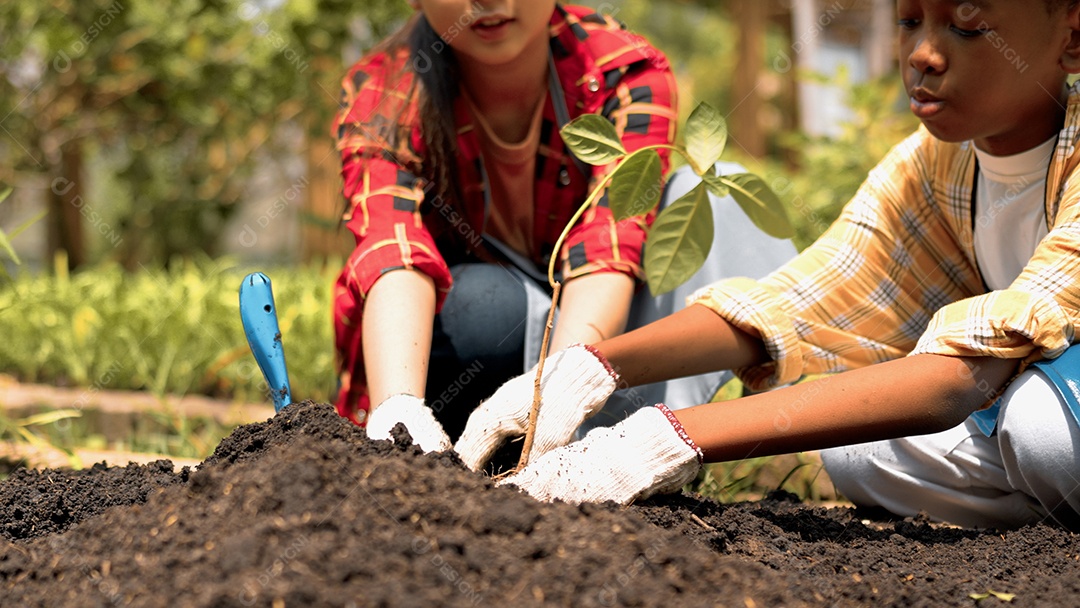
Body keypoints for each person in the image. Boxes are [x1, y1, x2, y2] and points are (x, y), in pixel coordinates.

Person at [457, 0, 1080, 531]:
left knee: (1039, 430)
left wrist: (674, 436)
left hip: (1042, 406)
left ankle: (1034, 484)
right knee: (853, 456)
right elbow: (809, 297)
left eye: (966, 27)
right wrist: (589, 369)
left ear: (1072, 37)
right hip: (1018, 395)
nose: (922, 53)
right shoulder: (933, 167)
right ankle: (1038, 507)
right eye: (909, 20)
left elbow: (957, 379)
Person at [332, 1, 796, 453]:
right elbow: (392, 247)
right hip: (474, 356)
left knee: (717, 192)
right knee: (481, 308)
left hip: (605, 344)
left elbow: (610, 238)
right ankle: (480, 447)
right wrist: (398, 409)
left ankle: (662, 434)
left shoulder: (623, 71)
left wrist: (560, 397)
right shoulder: (386, 91)